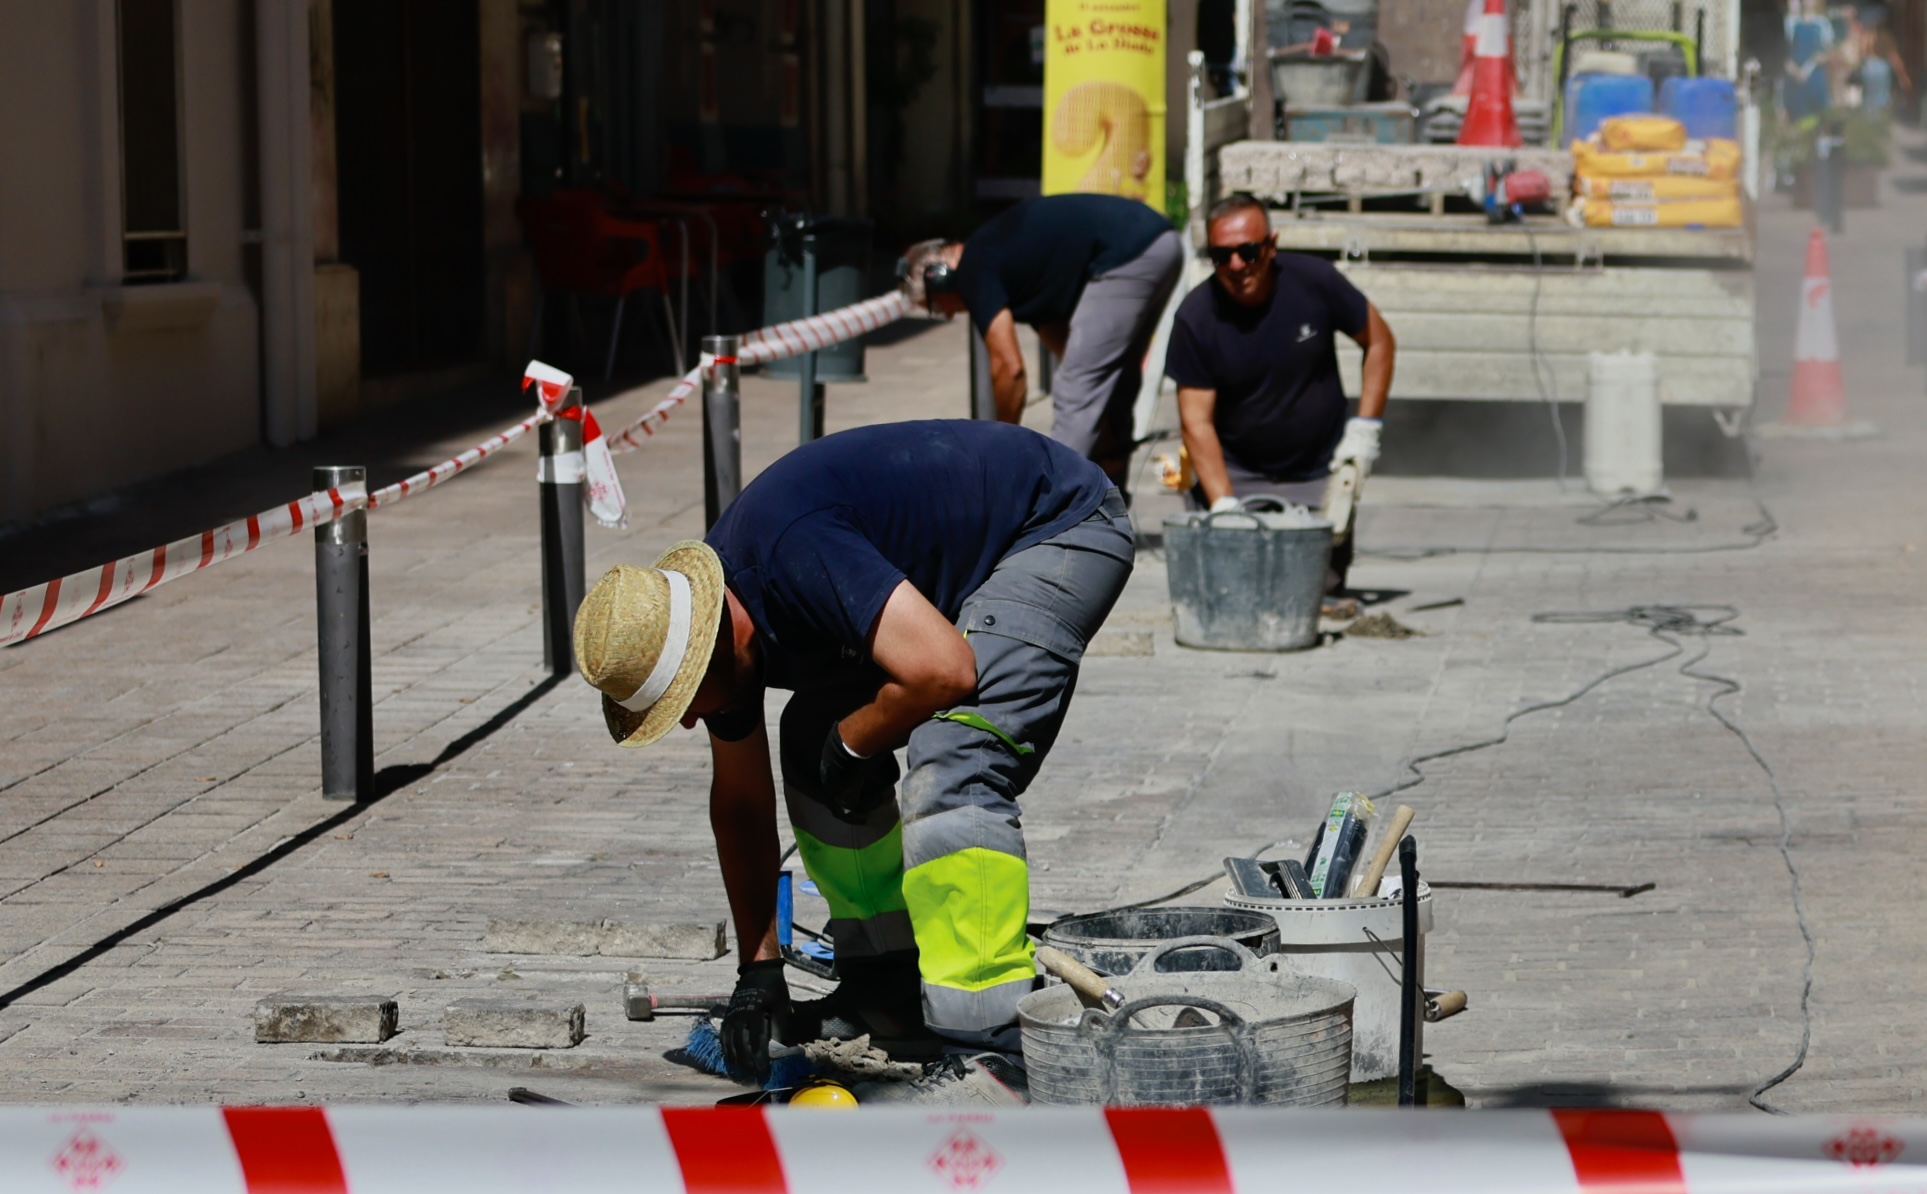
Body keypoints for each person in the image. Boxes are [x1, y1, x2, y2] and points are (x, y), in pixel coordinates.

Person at [570, 420, 1135, 1078]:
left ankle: (992, 1044)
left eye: (685, 707)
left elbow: (946, 671)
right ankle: (883, 993)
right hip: (954, 579)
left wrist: (855, 739)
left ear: (711, 654)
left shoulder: (792, 552)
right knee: (812, 737)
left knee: (953, 758)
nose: (694, 725)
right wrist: (759, 973)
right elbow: (742, 803)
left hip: (1058, 525)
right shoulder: (723, 631)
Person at [897, 190, 1183, 484]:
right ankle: (1109, 486)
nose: (945, 315)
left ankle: (1055, 505)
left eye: (933, 306)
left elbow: (1010, 370)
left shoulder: (975, 266)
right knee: (1113, 383)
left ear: (940, 276)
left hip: (1127, 255)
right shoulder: (1011, 266)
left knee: (1075, 389)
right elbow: (1067, 348)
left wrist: (997, 447)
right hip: (1162, 243)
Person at [1166, 192, 1396, 511]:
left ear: (1271, 245)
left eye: (1248, 251)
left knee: (1320, 561)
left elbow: (1379, 340)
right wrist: (1223, 502)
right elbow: (1196, 421)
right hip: (1235, 473)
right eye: (1221, 255)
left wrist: (1366, 428)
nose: (1236, 265)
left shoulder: (1315, 282)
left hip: (1318, 474)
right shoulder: (1196, 318)